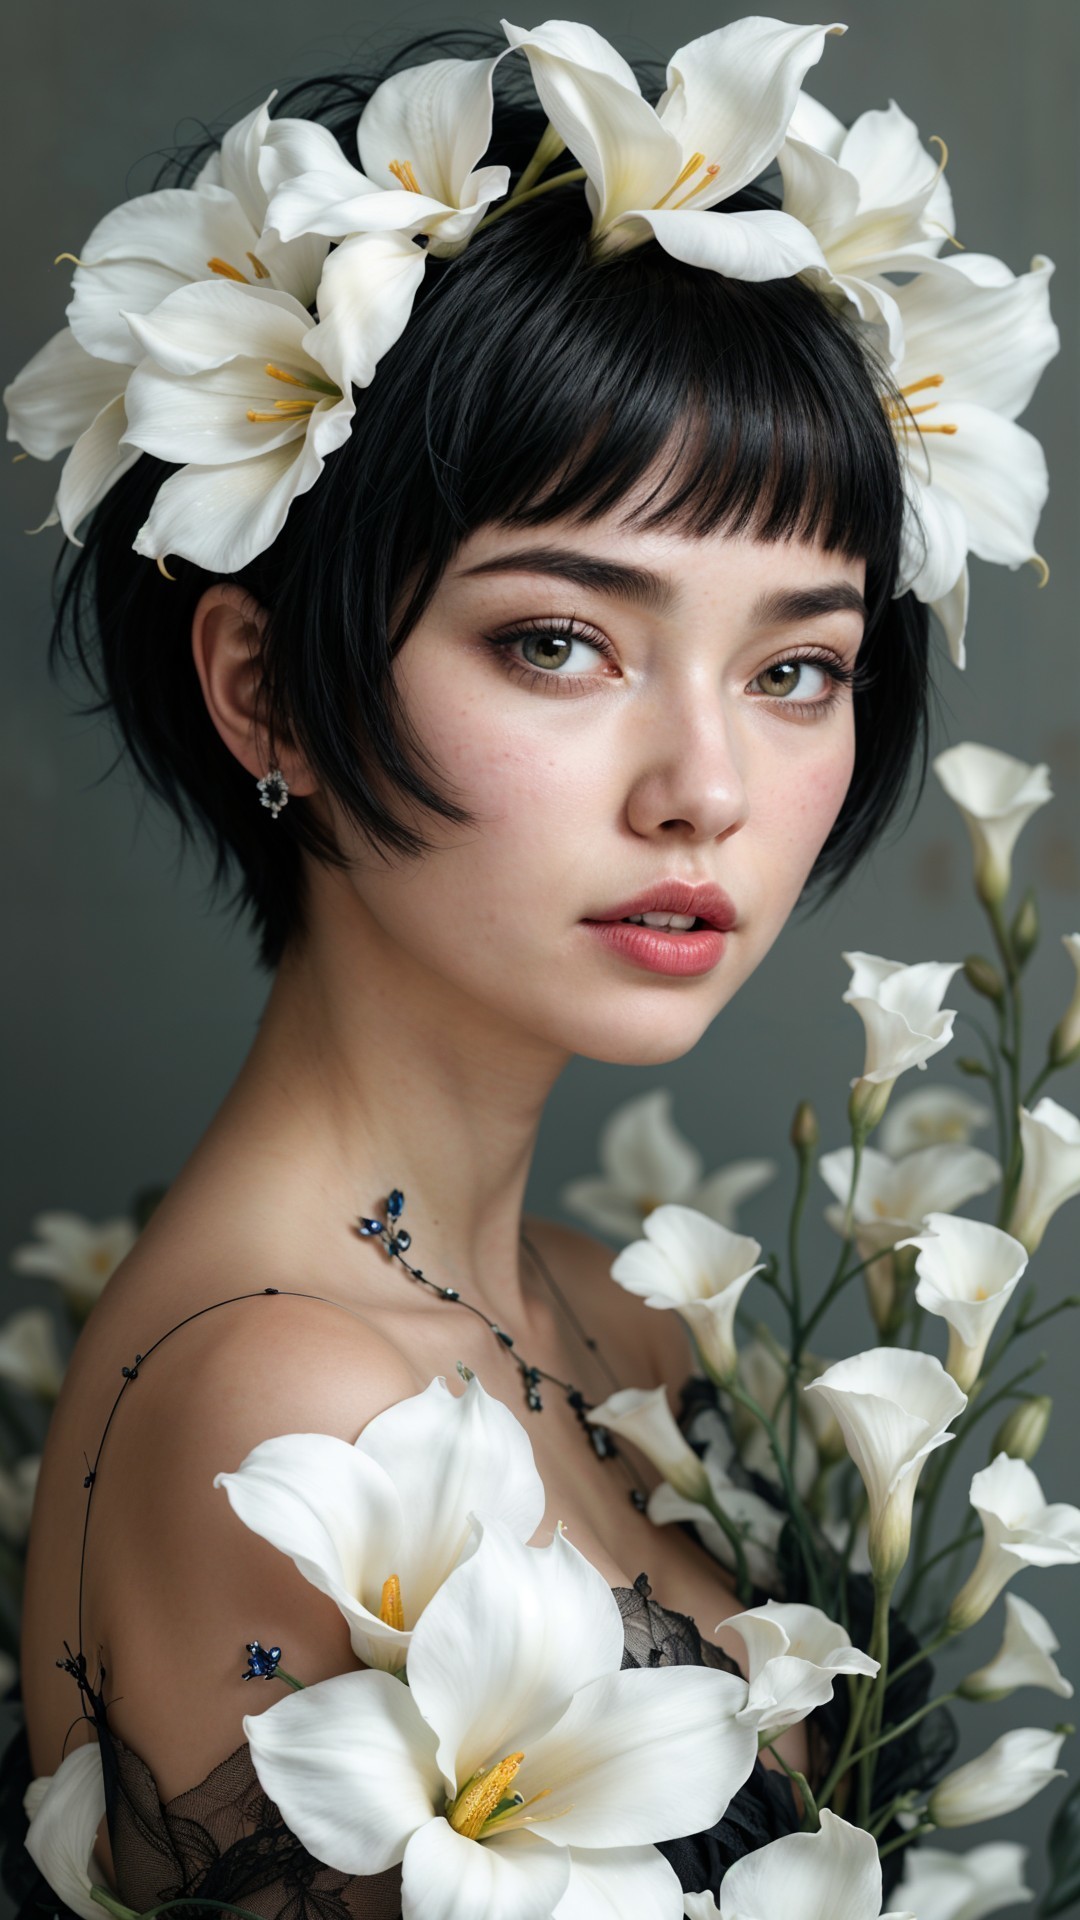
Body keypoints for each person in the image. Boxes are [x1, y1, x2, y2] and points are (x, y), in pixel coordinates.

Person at [5, 20, 971, 1918]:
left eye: (797, 668)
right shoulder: (279, 1403)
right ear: (262, 683)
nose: (706, 787)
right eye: (559, 641)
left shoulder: (625, 1326)